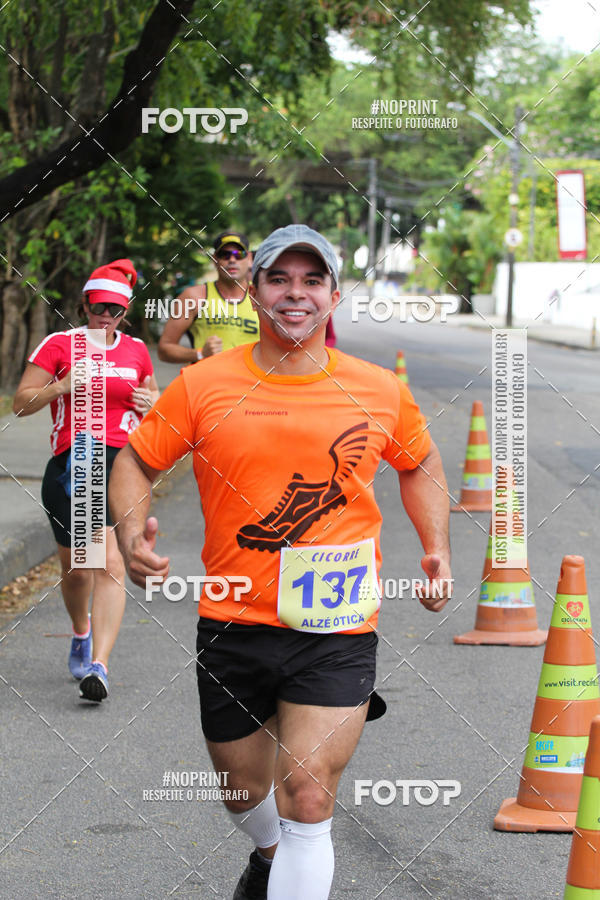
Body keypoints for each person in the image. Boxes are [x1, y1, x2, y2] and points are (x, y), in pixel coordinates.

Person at [109, 225, 451, 899]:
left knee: (309, 795)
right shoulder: (205, 385)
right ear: (255, 292)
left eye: (312, 280)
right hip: (234, 617)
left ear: (334, 294)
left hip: (338, 621)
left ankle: (288, 851)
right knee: (242, 789)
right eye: (280, 279)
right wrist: (129, 534)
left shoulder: (377, 389)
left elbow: (422, 462)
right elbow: (136, 459)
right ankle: (267, 852)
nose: (296, 294)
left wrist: (434, 547)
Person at [13, 259, 159, 703]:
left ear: (125, 312)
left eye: (115, 310)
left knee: (111, 562)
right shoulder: (59, 345)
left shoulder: (135, 350)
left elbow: (155, 404)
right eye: (99, 307)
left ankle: (100, 665)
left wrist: (154, 402)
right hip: (79, 461)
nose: (106, 316)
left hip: (127, 465)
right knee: (76, 569)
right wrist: (59, 388)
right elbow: (20, 403)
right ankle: (81, 631)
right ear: (84, 305)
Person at [158, 231, 259, 365]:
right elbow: (164, 349)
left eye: (239, 254)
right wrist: (200, 353)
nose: (232, 260)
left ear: (250, 259)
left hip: (251, 384)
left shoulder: (263, 296)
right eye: (225, 255)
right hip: (206, 383)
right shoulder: (194, 297)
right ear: (214, 259)